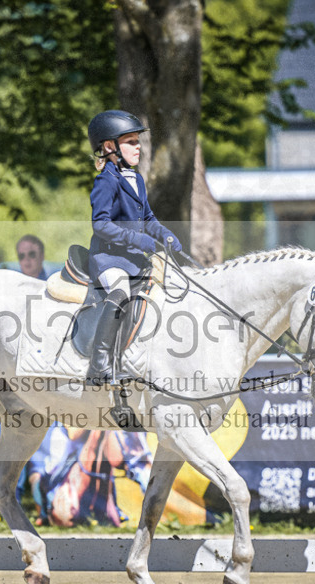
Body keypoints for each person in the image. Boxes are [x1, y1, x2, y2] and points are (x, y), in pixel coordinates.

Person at [86, 110, 181, 385]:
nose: (138, 147)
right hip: (108, 258)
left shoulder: (136, 179)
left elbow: (147, 218)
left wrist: (165, 234)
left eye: (138, 141)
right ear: (109, 146)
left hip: (133, 259)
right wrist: (136, 240)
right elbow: (100, 225)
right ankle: (99, 364)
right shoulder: (106, 180)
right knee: (120, 292)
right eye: (130, 142)